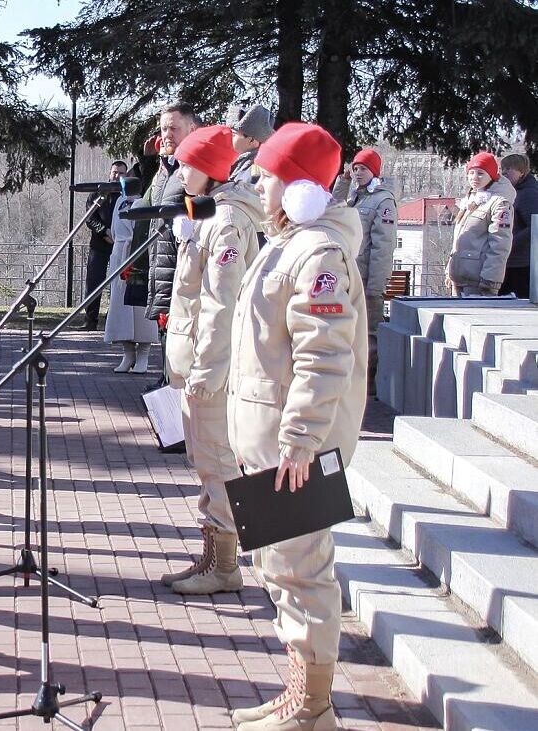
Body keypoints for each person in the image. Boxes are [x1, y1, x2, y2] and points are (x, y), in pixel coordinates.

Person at [227, 122, 366, 731]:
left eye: (267, 176)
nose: (257, 184)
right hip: (272, 443)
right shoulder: (287, 243)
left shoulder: (318, 253)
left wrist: (301, 439)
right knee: (281, 569)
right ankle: (301, 694)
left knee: (303, 571)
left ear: (299, 187)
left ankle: (312, 706)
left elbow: (324, 355)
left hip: (294, 448)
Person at [162, 125, 263, 595]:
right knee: (206, 460)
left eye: (187, 164)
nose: (180, 172)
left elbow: (221, 305)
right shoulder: (207, 214)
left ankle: (224, 565)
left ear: (207, 168)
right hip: (196, 359)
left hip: (212, 367)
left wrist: (206, 369)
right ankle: (213, 555)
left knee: (218, 461)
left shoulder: (226, 222)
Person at [137, 103, 199, 382]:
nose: (167, 134)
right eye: (163, 128)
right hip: (159, 258)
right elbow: (149, 202)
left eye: (174, 128)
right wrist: (155, 163)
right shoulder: (166, 168)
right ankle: (166, 379)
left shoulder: (195, 169)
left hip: (181, 260)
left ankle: (174, 382)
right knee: (164, 323)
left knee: (179, 327)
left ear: (192, 129)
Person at [332, 148, 397, 380]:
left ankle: (370, 381)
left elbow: (383, 246)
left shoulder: (383, 200)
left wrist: (376, 285)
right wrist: (344, 180)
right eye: (356, 168)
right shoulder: (354, 196)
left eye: (364, 169)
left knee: (370, 333)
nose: (359, 173)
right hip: (348, 275)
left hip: (367, 278)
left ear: (375, 172)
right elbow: (333, 208)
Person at [103, 185, 160, 372]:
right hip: (119, 253)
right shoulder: (119, 201)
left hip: (138, 254)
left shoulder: (143, 203)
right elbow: (113, 228)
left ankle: (143, 353)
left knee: (140, 308)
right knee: (120, 308)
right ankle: (127, 354)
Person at [448, 152, 516, 297]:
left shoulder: (499, 203)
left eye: (480, 173)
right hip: (459, 278)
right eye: (471, 173)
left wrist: (491, 280)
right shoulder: (469, 201)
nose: (474, 178)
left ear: (491, 175)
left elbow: (500, 244)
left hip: (479, 280)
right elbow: (458, 240)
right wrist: (450, 269)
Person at [81, 160, 130, 330]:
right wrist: (104, 232)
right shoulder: (98, 192)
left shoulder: (128, 196)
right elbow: (89, 217)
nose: (117, 176)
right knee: (94, 282)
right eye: (115, 172)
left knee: (119, 285)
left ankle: (113, 321)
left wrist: (117, 235)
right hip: (99, 245)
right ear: (110, 173)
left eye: (121, 173)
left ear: (126, 175)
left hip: (121, 246)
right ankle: (90, 321)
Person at [500, 153, 537, 299]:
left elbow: (534, 226)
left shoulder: (529, 194)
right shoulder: (514, 192)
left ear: (521, 171)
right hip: (511, 261)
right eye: (502, 169)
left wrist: (510, 242)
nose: (504, 173)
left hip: (521, 263)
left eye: (509, 169)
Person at [226, 104, 274, 186]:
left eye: (233, 134)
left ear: (252, 140)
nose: (228, 138)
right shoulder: (241, 164)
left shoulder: (256, 172)